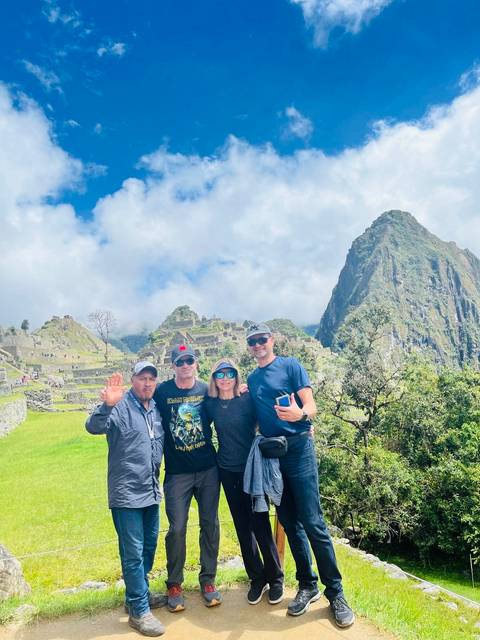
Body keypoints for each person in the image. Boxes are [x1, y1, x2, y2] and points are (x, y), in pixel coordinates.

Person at [245, 323, 355, 628]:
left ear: (272, 340)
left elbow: (311, 405)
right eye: (252, 342)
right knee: (289, 522)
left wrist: (301, 415)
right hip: (273, 455)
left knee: (314, 522)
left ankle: (336, 594)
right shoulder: (252, 379)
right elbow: (254, 412)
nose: (257, 345)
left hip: (299, 449)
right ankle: (308, 584)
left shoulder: (291, 365)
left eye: (261, 339)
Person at [85, 362, 166, 637]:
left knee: (148, 549)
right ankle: (139, 611)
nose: (147, 383)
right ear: (133, 380)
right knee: (133, 554)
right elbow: (93, 426)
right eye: (142, 378)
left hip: (151, 491)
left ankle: (136, 595)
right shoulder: (120, 405)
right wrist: (107, 405)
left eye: (151, 379)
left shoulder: (155, 408)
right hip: (126, 494)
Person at [204, 358, 284, 606]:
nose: (225, 378)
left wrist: (304, 425)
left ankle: (276, 578)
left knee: (259, 521)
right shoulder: (211, 404)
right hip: (227, 471)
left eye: (230, 374)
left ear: (237, 377)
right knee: (242, 527)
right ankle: (256, 578)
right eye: (220, 374)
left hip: (252, 468)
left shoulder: (247, 399)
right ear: (214, 379)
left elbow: (270, 416)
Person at [153, 345, 221, 612]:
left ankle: (208, 580)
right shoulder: (162, 392)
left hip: (207, 469)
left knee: (210, 524)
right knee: (177, 527)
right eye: (180, 361)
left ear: (196, 363)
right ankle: (174, 583)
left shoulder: (206, 390)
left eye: (189, 360)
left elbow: (226, 408)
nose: (185, 365)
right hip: (177, 473)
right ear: (173, 366)